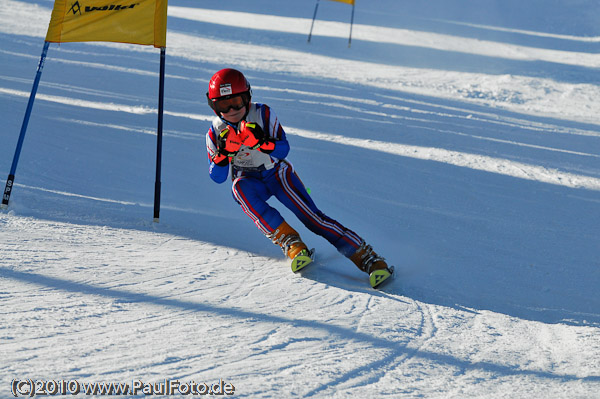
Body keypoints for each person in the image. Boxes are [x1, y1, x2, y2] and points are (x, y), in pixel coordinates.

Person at [204, 68, 393, 288]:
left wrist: (261, 142)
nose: (232, 110)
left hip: (277, 173)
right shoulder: (215, 133)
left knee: (312, 219)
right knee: (237, 188)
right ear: (214, 107)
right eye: (223, 106)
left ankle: (367, 257)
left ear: (248, 97)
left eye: (237, 102)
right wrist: (223, 155)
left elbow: (283, 150)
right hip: (249, 180)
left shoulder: (263, 114)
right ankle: (290, 241)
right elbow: (217, 177)